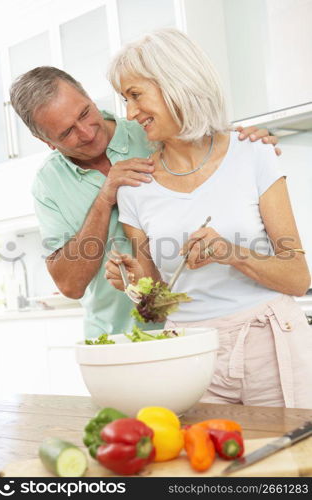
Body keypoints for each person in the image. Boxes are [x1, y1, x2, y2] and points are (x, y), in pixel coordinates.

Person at [105, 28, 312, 408]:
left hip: (272, 343)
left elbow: (299, 279)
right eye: (125, 99)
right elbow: (154, 309)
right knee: (202, 466)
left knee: (293, 466)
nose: (130, 113)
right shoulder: (135, 186)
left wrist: (233, 252)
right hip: (191, 357)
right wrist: (131, 282)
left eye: (136, 95)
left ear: (176, 84)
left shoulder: (253, 154)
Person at [10, 66, 278, 339]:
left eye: (85, 113)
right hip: (116, 337)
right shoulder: (48, 184)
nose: (87, 133)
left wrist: (248, 143)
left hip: (195, 326)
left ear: (89, 96)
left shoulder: (151, 129)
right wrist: (104, 199)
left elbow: (218, 154)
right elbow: (69, 285)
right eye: (67, 133)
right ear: (45, 141)